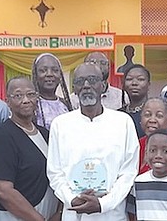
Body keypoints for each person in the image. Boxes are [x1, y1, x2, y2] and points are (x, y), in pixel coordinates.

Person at [47, 63, 139, 220]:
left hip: (112, 214)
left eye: (92, 80)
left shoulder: (123, 122)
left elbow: (128, 172)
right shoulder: (60, 124)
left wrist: (104, 204)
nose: (86, 86)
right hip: (74, 212)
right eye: (80, 81)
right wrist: (72, 199)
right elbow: (55, 172)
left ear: (103, 86)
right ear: (74, 88)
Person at [0, 77, 61, 221]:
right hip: (16, 216)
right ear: (7, 101)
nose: (26, 100)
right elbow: (2, 190)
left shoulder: (45, 134)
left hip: (47, 214)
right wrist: (38, 219)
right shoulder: (4, 135)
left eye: (31, 94)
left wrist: (58, 213)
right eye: (18, 95)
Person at [31, 52, 72, 130]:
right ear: (35, 74)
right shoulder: (31, 104)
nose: (49, 74)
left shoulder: (65, 105)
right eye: (43, 70)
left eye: (55, 70)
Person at [118, 64, 150, 138]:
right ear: (123, 85)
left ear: (148, 84)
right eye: (129, 79)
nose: (134, 83)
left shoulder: (157, 112)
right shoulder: (118, 114)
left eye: (140, 79)